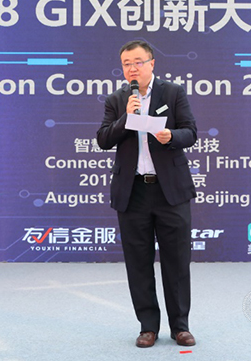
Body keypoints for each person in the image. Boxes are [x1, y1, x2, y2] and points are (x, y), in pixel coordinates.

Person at [96, 40, 197, 348]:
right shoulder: (117, 99)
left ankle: (180, 326)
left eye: (138, 62)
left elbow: (191, 132)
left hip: (170, 192)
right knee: (138, 263)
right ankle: (148, 327)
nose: (132, 68)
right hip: (133, 192)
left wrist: (171, 136)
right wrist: (126, 118)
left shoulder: (173, 93)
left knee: (176, 261)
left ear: (152, 63)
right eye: (127, 64)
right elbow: (103, 140)